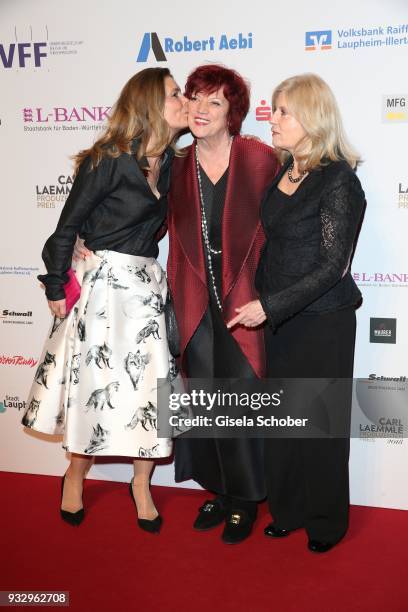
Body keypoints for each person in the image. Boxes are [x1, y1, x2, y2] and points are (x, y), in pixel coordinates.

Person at [22, 67, 188, 533]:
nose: (184, 100)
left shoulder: (172, 163)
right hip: (101, 291)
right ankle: (74, 476)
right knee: (91, 386)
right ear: (151, 104)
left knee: (149, 393)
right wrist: (57, 286)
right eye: (175, 93)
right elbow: (66, 226)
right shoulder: (109, 158)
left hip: (146, 289)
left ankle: (141, 485)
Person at [228, 73, 365, 552]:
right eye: (273, 110)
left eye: (283, 111)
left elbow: (332, 266)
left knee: (321, 427)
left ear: (312, 116)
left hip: (323, 321)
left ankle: (327, 522)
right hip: (280, 320)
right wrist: (261, 298)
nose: (274, 119)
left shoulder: (339, 181)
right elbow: (275, 245)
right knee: (284, 421)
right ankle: (289, 509)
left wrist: (270, 304)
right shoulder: (286, 172)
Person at [167, 64, 280, 544]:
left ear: (234, 112)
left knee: (239, 401)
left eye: (214, 102)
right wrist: (89, 241)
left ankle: (246, 498)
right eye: (194, 98)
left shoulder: (260, 158)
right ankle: (218, 487)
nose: (201, 109)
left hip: (246, 297)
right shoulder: (175, 165)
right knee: (203, 398)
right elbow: (139, 215)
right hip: (193, 294)